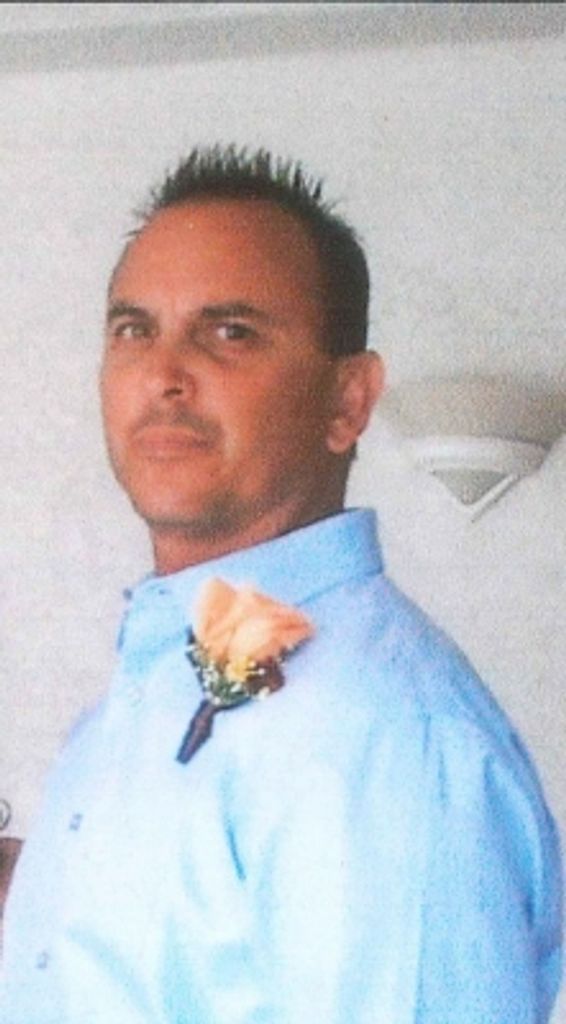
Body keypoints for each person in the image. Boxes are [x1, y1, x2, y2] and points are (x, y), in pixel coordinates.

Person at [1, 145, 562, 1023]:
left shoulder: (385, 738)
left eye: (230, 332)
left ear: (348, 402)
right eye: (134, 329)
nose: (164, 374)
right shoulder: (155, 686)